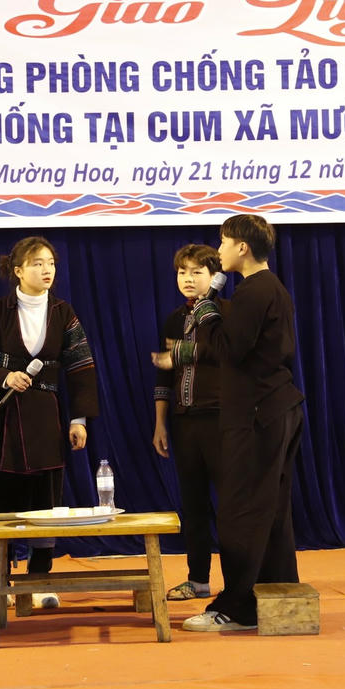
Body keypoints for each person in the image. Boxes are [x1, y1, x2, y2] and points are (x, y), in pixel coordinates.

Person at [152, 214, 305, 632]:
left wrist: (206, 311)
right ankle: (272, 597)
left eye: (223, 242)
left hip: (258, 413)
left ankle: (238, 607)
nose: (219, 250)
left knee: (242, 513)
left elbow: (230, 350)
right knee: (269, 512)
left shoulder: (254, 291)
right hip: (274, 409)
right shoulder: (266, 289)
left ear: (242, 247)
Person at [0, 236, 98, 606]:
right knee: (0, 500)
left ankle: (40, 581)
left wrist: (79, 419)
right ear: (18, 271)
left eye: (50, 262)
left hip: (47, 418)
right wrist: (5, 377)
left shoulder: (63, 312)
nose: (47, 269)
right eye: (37, 263)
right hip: (2, 418)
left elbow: (82, 366)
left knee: (46, 501)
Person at [152, 244, 226, 602]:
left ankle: (240, 581)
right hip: (184, 422)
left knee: (229, 506)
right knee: (193, 505)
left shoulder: (225, 314)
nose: (188, 278)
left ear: (214, 276)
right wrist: (160, 423)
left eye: (197, 271)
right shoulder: (173, 320)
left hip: (221, 420)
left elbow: (227, 356)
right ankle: (198, 580)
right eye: (183, 271)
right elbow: (163, 377)